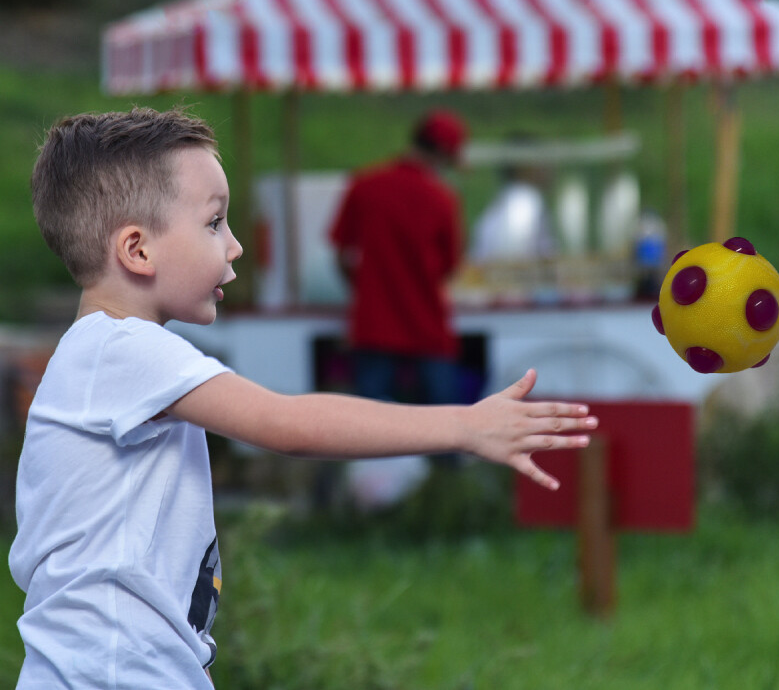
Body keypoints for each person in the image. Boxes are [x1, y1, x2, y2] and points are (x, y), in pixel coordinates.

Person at [8, 107, 597, 689]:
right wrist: (466, 426)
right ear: (137, 250)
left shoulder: (103, 355)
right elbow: (287, 423)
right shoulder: (123, 351)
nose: (235, 246)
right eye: (214, 223)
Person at [329, 109, 466, 409]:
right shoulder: (442, 198)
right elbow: (450, 266)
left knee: (370, 418)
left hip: (374, 322)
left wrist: (364, 289)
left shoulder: (364, 185)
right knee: (441, 417)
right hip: (427, 321)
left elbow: (341, 254)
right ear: (442, 154)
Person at [468, 133, 556, 264]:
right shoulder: (525, 201)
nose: (547, 167)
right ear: (524, 167)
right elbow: (514, 256)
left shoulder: (509, 199)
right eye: (540, 160)